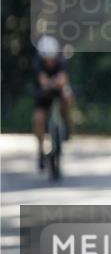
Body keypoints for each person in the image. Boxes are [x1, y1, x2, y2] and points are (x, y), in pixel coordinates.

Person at [32, 35, 73, 171]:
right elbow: (42, 80)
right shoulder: (37, 61)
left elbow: (64, 78)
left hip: (57, 91)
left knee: (68, 97)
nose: (50, 61)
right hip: (43, 93)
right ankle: (40, 150)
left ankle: (66, 124)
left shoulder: (61, 59)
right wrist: (52, 82)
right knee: (39, 118)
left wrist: (58, 83)